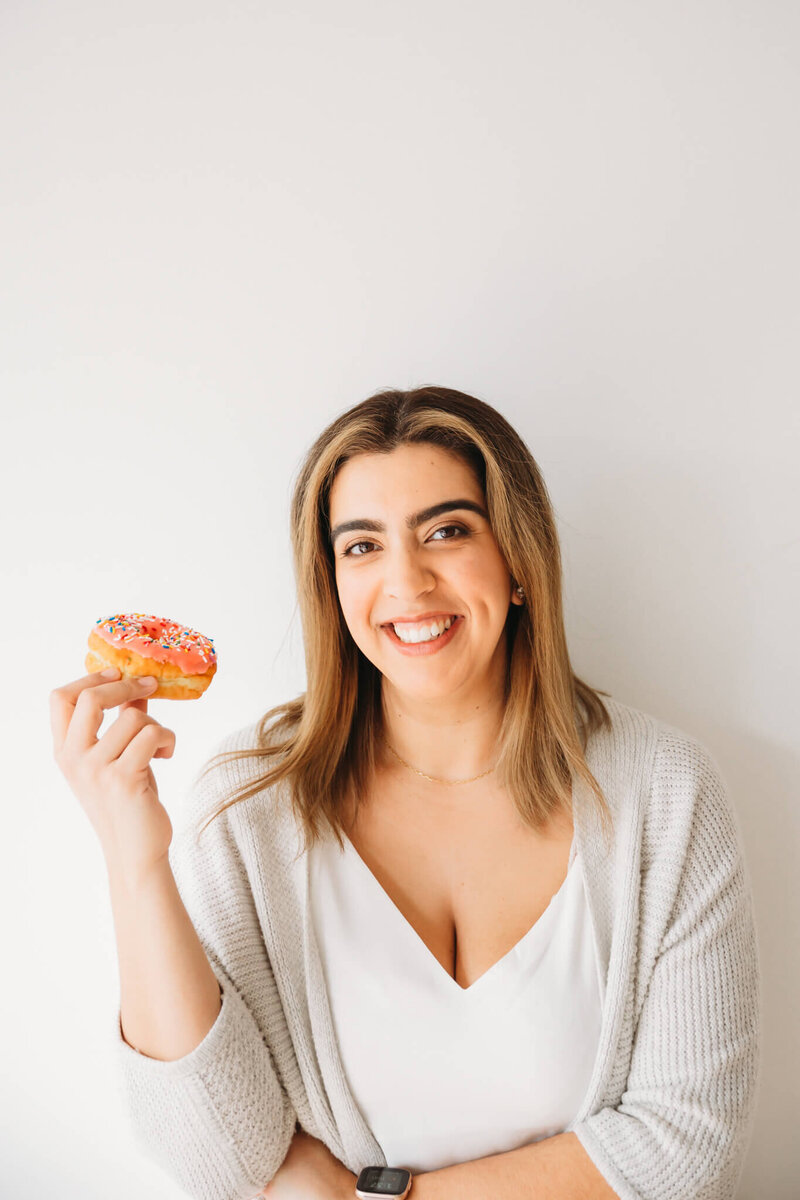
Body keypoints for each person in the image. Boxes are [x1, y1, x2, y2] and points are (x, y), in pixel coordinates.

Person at [50, 386, 761, 1200]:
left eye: (446, 531)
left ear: (519, 561)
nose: (407, 581)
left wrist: (378, 1197)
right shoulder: (251, 800)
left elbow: (686, 1148)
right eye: (361, 547)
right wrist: (133, 856)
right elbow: (217, 1155)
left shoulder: (666, 797)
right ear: (333, 585)